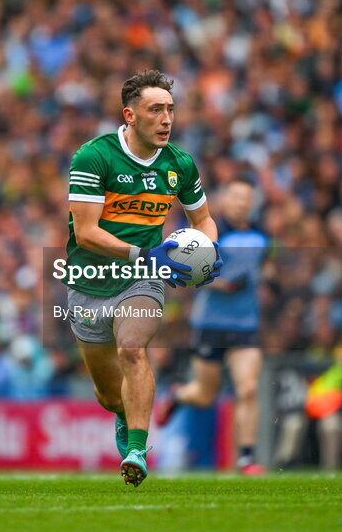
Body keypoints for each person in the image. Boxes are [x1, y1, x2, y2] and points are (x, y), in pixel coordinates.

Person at [64, 69, 223, 487]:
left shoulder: (180, 164)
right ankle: (122, 413)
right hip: (86, 281)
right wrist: (146, 252)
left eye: (170, 109)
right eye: (156, 110)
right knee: (108, 394)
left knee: (133, 350)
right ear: (130, 116)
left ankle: (137, 450)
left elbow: (203, 219)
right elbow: (86, 232)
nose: (167, 118)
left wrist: (209, 251)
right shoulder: (93, 157)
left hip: (142, 278)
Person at [156, 177, 267, 475]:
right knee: (206, 395)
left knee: (248, 388)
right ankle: (178, 396)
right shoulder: (208, 232)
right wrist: (223, 285)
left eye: (246, 197)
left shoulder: (261, 232)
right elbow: (188, 272)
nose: (241, 203)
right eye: (236, 197)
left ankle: (246, 458)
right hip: (211, 323)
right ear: (224, 201)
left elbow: (262, 267)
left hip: (246, 324)